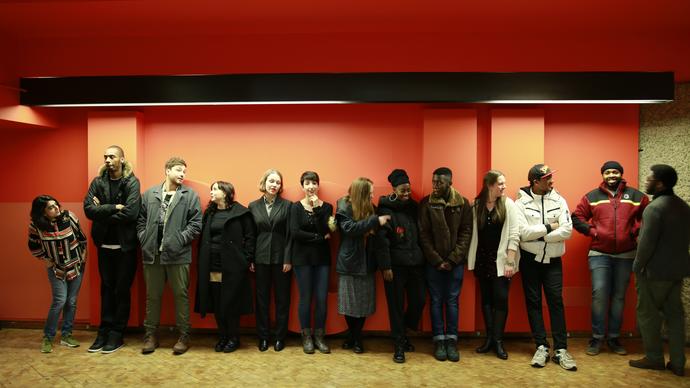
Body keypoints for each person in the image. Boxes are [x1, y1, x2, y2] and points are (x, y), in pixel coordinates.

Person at [572, 161, 649, 356]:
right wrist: (592, 231)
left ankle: (614, 338)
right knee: (599, 295)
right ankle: (597, 338)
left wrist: (634, 231)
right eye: (608, 172)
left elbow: (647, 217)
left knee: (619, 297)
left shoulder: (637, 196)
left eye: (615, 172)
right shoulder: (592, 197)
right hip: (599, 254)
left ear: (621, 174)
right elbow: (576, 217)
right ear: (603, 175)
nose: (611, 175)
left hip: (626, 254)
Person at [629, 164, 690, 377]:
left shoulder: (654, 208)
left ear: (660, 183)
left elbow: (646, 244)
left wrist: (637, 267)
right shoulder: (683, 206)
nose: (646, 180)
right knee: (675, 316)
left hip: (654, 273)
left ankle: (654, 358)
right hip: (677, 271)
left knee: (648, 315)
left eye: (650, 177)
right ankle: (678, 362)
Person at [137, 157, 202, 355]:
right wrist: (144, 237)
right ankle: (151, 335)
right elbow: (140, 220)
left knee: (180, 295)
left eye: (184, 171)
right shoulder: (149, 194)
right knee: (152, 296)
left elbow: (196, 224)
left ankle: (184, 335)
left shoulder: (190, 195)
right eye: (178, 170)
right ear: (167, 170)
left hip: (178, 255)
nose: (182, 174)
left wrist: (179, 240)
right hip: (152, 254)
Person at [515, 164, 576, 371]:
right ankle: (541, 346)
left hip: (553, 261)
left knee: (556, 302)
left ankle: (560, 350)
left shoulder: (559, 200)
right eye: (547, 178)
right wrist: (550, 228)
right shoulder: (520, 203)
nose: (551, 181)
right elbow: (523, 233)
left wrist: (541, 235)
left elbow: (567, 230)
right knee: (533, 303)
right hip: (529, 261)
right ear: (535, 181)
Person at [83, 145, 141, 354]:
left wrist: (102, 211)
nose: (107, 160)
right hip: (104, 246)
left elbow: (132, 213)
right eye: (105, 156)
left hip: (125, 247)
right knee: (106, 290)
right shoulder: (98, 182)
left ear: (122, 160)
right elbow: (89, 210)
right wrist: (114, 207)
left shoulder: (132, 182)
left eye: (112, 156)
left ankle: (117, 334)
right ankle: (104, 331)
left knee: (121, 290)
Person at [419, 167, 472, 362]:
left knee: (451, 301)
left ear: (450, 182)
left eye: (439, 182)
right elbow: (423, 235)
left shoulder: (463, 204)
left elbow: (466, 233)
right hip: (433, 264)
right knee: (435, 300)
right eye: (433, 182)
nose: (435, 186)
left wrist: (451, 260)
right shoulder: (426, 204)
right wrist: (437, 260)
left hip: (455, 264)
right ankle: (439, 341)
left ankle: (451, 340)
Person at [195, 181, 255, 353]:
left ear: (226, 192)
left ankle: (233, 337)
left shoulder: (241, 213)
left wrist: (246, 259)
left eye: (215, 189)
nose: (211, 192)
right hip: (212, 264)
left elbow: (251, 238)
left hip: (233, 266)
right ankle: (222, 336)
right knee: (217, 300)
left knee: (231, 302)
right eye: (211, 189)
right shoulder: (210, 213)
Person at [468, 170, 520, 360]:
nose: (504, 187)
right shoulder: (477, 205)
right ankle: (489, 338)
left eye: (504, 183)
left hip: (501, 262)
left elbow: (514, 235)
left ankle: (498, 341)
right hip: (482, 260)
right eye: (500, 184)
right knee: (487, 300)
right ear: (489, 185)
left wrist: (510, 261)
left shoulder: (509, 204)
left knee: (500, 299)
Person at [376, 169, 426, 363]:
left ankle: (403, 331)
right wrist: (385, 266)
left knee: (419, 300)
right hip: (394, 267)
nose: (407, 194)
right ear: (394, 189)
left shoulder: (415, 207)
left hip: (416, 265)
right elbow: (382, 241)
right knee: (395, 306)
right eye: (403, 190)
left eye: (408, 190)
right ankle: (398, 345)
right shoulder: (384, 209)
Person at [336, 177, 390, 354]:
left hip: (367, 262)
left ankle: (355, 337)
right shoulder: (343, 206)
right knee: (348, 303)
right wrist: (374, 222)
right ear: (361, 192)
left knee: (363, 303)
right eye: (370, 192)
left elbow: (376, 234)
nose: (373, 194)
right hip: (350, 262)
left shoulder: (372, 208)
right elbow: (350, 229)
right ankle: (354, 337)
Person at [28, 195, 88, 353]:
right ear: (42, 211)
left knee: (72, 301)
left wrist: (83, 256)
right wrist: (44, 258)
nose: (56, 209)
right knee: (60, 300)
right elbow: (33, 246)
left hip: (76, 265)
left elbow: (82, 238)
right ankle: (48, 337)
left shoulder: (69, 217)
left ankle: (67, 335)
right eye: (50, 207)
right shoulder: (36, 225)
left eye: (56, 205)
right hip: (56, 268)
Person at [290, 171, 336, 354]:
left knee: (322, 299)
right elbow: (296, 233)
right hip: (302, 259)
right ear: (302, 186)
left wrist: (316, 208)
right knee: (305, 298)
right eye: (307, 183)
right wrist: (318, 237)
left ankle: (319, 335)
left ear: (318, 185)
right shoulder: (295, 207)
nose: (310, 187)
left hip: (322, 259)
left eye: (314, 183)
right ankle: (306, 336)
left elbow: (326, 230)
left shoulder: (326, 207)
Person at [249, 169, 292, 352]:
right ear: (264, 183)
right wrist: (250, 258)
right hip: (260, 259)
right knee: (262, 300)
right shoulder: (253, 206)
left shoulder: (288, 205)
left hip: (281, 259)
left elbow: (290, 235)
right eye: (271, 181)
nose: (274, 185)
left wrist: (288, 259)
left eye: (278, 182)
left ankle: (280, 337)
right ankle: (263, 337)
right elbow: (250, 235)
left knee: (282, 300)